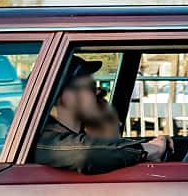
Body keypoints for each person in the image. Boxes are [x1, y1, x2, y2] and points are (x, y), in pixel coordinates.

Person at [33, 59, 172, 174]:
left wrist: (151, 143)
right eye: (91, 87)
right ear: (66, 96)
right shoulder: (43, 142)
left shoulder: (76, 137)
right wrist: (147, 149)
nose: (100, 92)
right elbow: (86, 154)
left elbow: (100, 147)